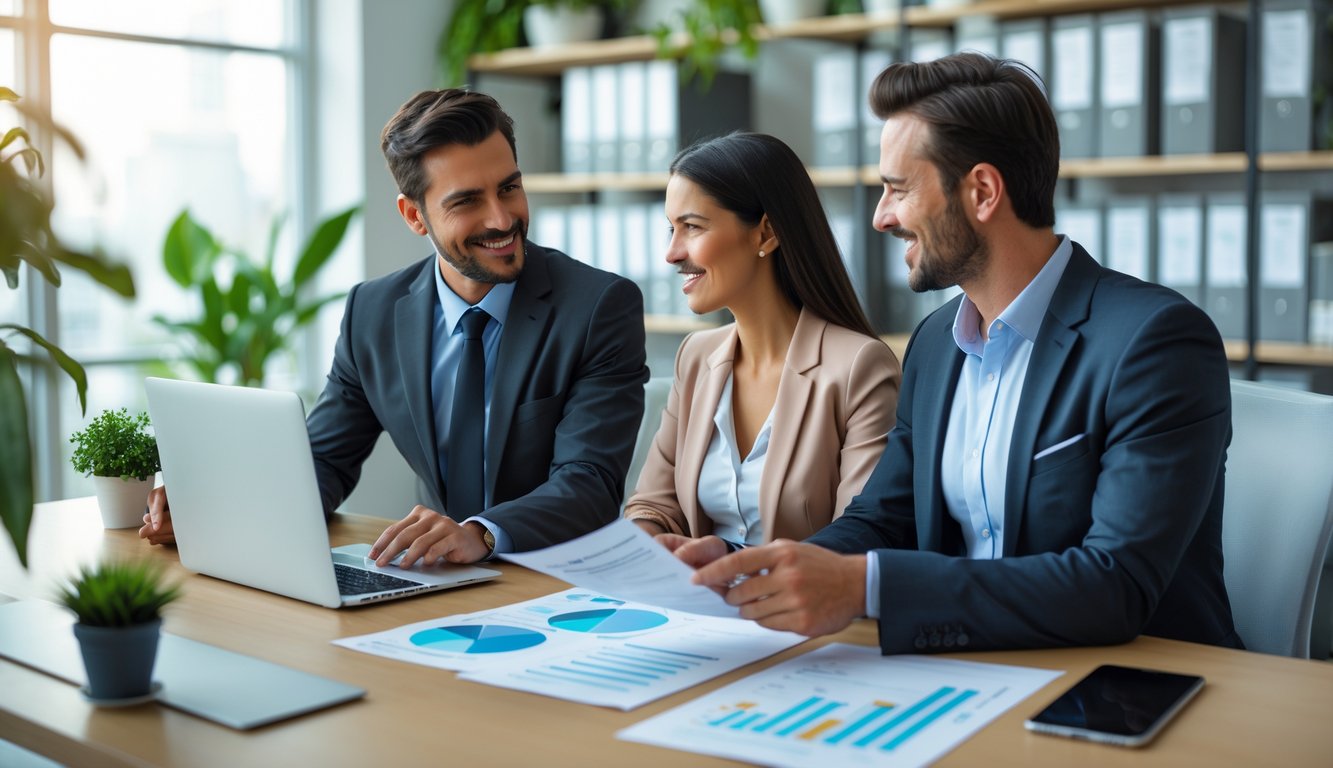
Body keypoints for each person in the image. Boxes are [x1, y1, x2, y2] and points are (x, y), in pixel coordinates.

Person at [677, 53, 1241, 653]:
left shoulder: (1155, 343)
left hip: (1132, 685)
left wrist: (866, 588)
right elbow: (883, 521)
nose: (881, 217)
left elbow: (1116, 585)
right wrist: (744, 569)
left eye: (898, 189)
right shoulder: (936, 344)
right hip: (970, 668)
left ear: (982, 191)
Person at [141, 89, 649, 565]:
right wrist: (217, 510)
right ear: (414, 216)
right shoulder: (374, 311)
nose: (502, 218)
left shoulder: (598, 307)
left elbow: (590, 483)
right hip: (437, 578)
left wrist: (480, 532)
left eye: (509, 188)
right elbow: (322, 461)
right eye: (467, 201)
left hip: (557, 581)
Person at [624, 132, 901, 548]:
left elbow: (860, 536)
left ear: (766, 233)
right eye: (671, 229)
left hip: (799, 608)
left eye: (692, 227)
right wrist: (647, 542)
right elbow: (654, 505)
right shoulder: (695, 357)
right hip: (694, 604)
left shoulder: (860, 367)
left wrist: (726, 559)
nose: (672, 253)